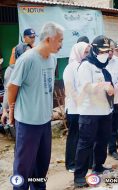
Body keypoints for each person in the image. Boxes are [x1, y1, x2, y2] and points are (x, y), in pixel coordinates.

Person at [8, 22, 64, 190]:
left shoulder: (53, 60)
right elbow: (12, 87)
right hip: (27, 122)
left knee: (41, 166)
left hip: (44, 121)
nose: (61, 44)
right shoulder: (27, 59)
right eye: (59, 40)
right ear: (49, 39)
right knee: (23, 167)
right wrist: (11, 111)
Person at [74, 35, 113, 187]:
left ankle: (98, 166)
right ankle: (79, 176)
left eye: (107, 51)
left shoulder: (103, 66)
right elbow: (85, 87)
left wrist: (111, 89)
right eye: (102, 51)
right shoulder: (86, 66)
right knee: (85, 144)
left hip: (105, 110)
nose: (105, 54)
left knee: (103, 141)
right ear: (95, 50)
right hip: (89, 111)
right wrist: (105, 85)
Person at [63, 42, 90, 172]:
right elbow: (70, 89)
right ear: (78, 52)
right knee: (74, 136)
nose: (88, 54)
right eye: (85, 52)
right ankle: (71, 163)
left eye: (88, 52)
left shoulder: (86, 66)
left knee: (85, 137)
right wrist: (80, 101)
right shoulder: (70, 67)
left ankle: (86, 162)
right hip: (74, 108)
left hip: (85, 108)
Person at [1, 43, 32, 131]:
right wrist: (4, 110)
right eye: (26, 53)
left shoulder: (34, 68)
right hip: (19, 112)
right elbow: (8, 90)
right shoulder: (11, 70)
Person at [106, 42, 118, 160]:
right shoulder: (98, 62)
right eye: (108, 49)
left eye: (112, 49)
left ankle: (112, 149)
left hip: (116, 97)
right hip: (101, 99)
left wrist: (114, 88)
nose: (110, 52)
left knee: (113, 125)